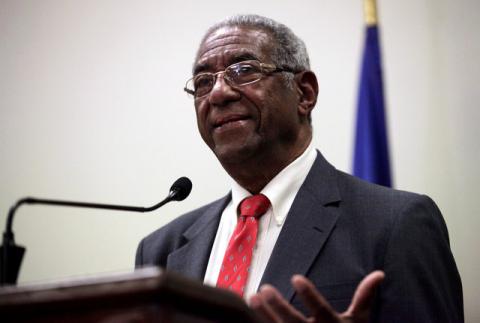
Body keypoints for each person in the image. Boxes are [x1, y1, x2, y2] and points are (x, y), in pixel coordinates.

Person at [135, 14, 463, 322]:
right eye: (204, 81)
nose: (218, 92)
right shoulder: (161, 251)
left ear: (304, 93)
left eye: (244, 69)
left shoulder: (396, 225)